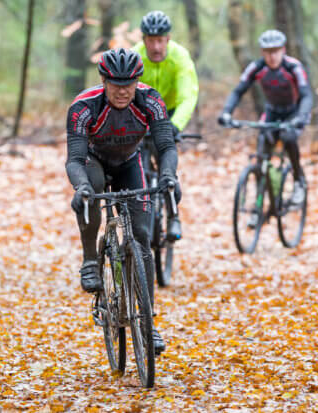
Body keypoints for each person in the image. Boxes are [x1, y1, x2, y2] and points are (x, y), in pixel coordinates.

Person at [66, 48, 181, 354]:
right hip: (94, 161)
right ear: (103, 80)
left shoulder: (150, 101)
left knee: (142, 238)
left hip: (131, 162)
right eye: (115, 83)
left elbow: (166, 146)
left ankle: (148, 324)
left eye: (128, 83)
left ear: (137, 81)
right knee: (93, 187)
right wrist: (80, 187)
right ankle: (91, 259)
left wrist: (169, 176)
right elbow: (74, 159)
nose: (122, 90)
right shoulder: (83, 107)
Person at [218, 29, 312, 221]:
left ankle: (299, 182)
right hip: (272, 112)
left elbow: (306, 94)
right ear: (262, 52)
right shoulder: (256, 67)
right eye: (268, 51)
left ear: (283, 50)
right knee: (261, 155)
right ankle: (261, 204)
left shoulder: (293, 66)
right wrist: (227, 112)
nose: (272, 56)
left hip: (294, 112)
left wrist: (300, 116)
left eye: (276, 50)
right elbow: (238, 91)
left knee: (289, 137)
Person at [133, 10, 199, 240]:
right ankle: (139, 216)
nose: (156, 46)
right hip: (141, 113)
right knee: (137, 165)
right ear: (144, 41)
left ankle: (173, 216)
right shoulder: (135, 56)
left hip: (169, 113)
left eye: (160, 40)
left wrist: (175, 126)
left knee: (166, 167)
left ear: (168, 39)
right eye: (151, 40)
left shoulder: (180, 57)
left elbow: (188, 96)